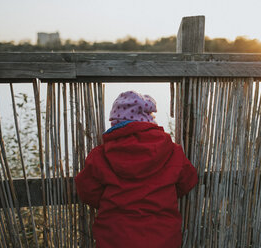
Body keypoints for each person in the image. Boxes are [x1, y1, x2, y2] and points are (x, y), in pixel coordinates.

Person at [75, 91, 198, 248]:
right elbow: (188, 181)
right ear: (149, 120)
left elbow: (87, 190)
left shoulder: (100, 155)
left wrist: (111, 201)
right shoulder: (172, 151)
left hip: (115, 238)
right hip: (162, 238)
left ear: (115, 123)